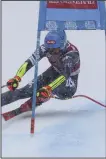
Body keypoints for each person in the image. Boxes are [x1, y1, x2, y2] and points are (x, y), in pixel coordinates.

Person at [1, 30, 80, 111]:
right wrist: (17, 77)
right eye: (49, 49)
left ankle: (33, 102)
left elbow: (65, 75)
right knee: (27, 90)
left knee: (44, 92)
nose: (51, 51)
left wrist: (49, 88)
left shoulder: (71, 54)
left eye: (54, 49)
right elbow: (30, 62)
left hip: (69, 82)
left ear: (62, 46)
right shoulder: (45, 48)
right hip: (54, 72)